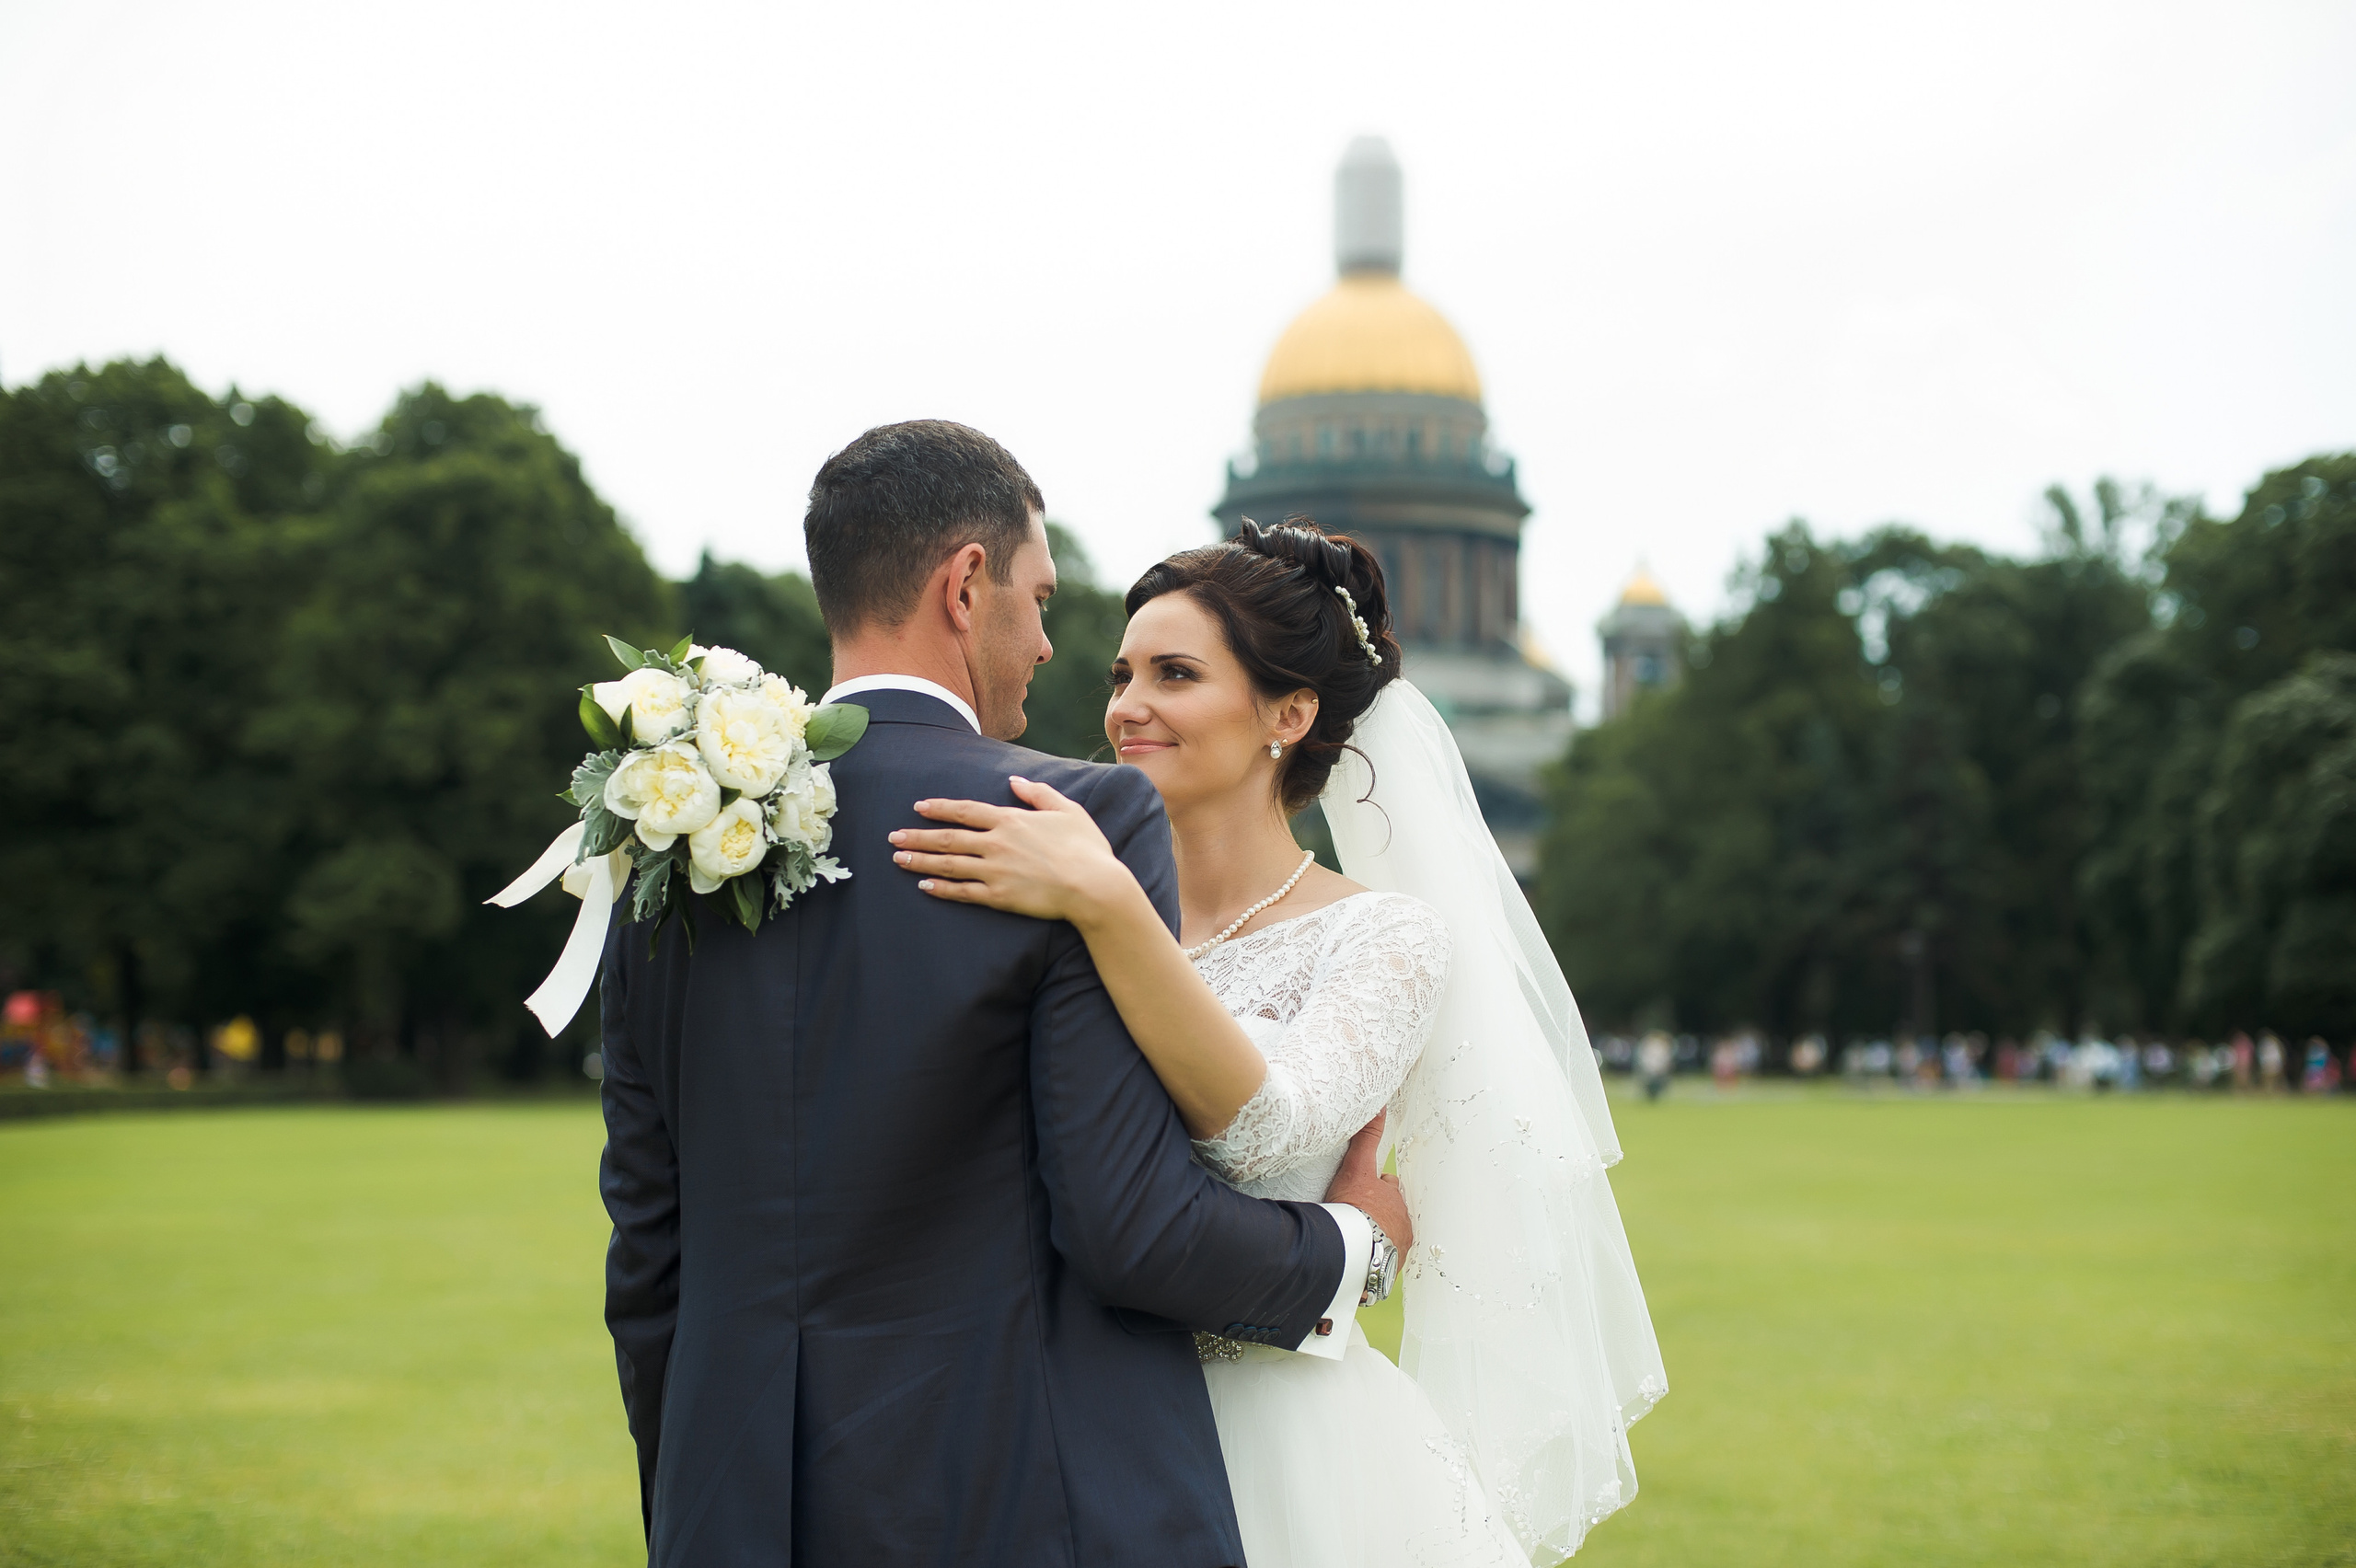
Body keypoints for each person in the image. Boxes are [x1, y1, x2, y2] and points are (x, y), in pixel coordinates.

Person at [595, 425, 1408, 1565]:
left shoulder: (666, 831)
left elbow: (649, 1257)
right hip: (1008, 1500)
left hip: (733, 1509)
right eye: (1038, 598)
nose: (1048, 645)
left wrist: (694, 1501)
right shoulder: (1067, 825)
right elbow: (1126, 1227)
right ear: (965, 587)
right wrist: (1351, 1251)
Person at [893, 517, 1666, 1565]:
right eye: (1122, 674)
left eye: (1174, 674)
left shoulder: (1381, 934)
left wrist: (1108, 905)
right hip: (1049, 1420)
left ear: (1290, 713)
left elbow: (1269, 1127)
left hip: (1284, 1445)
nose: (1127, 707)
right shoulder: (1049, 893)